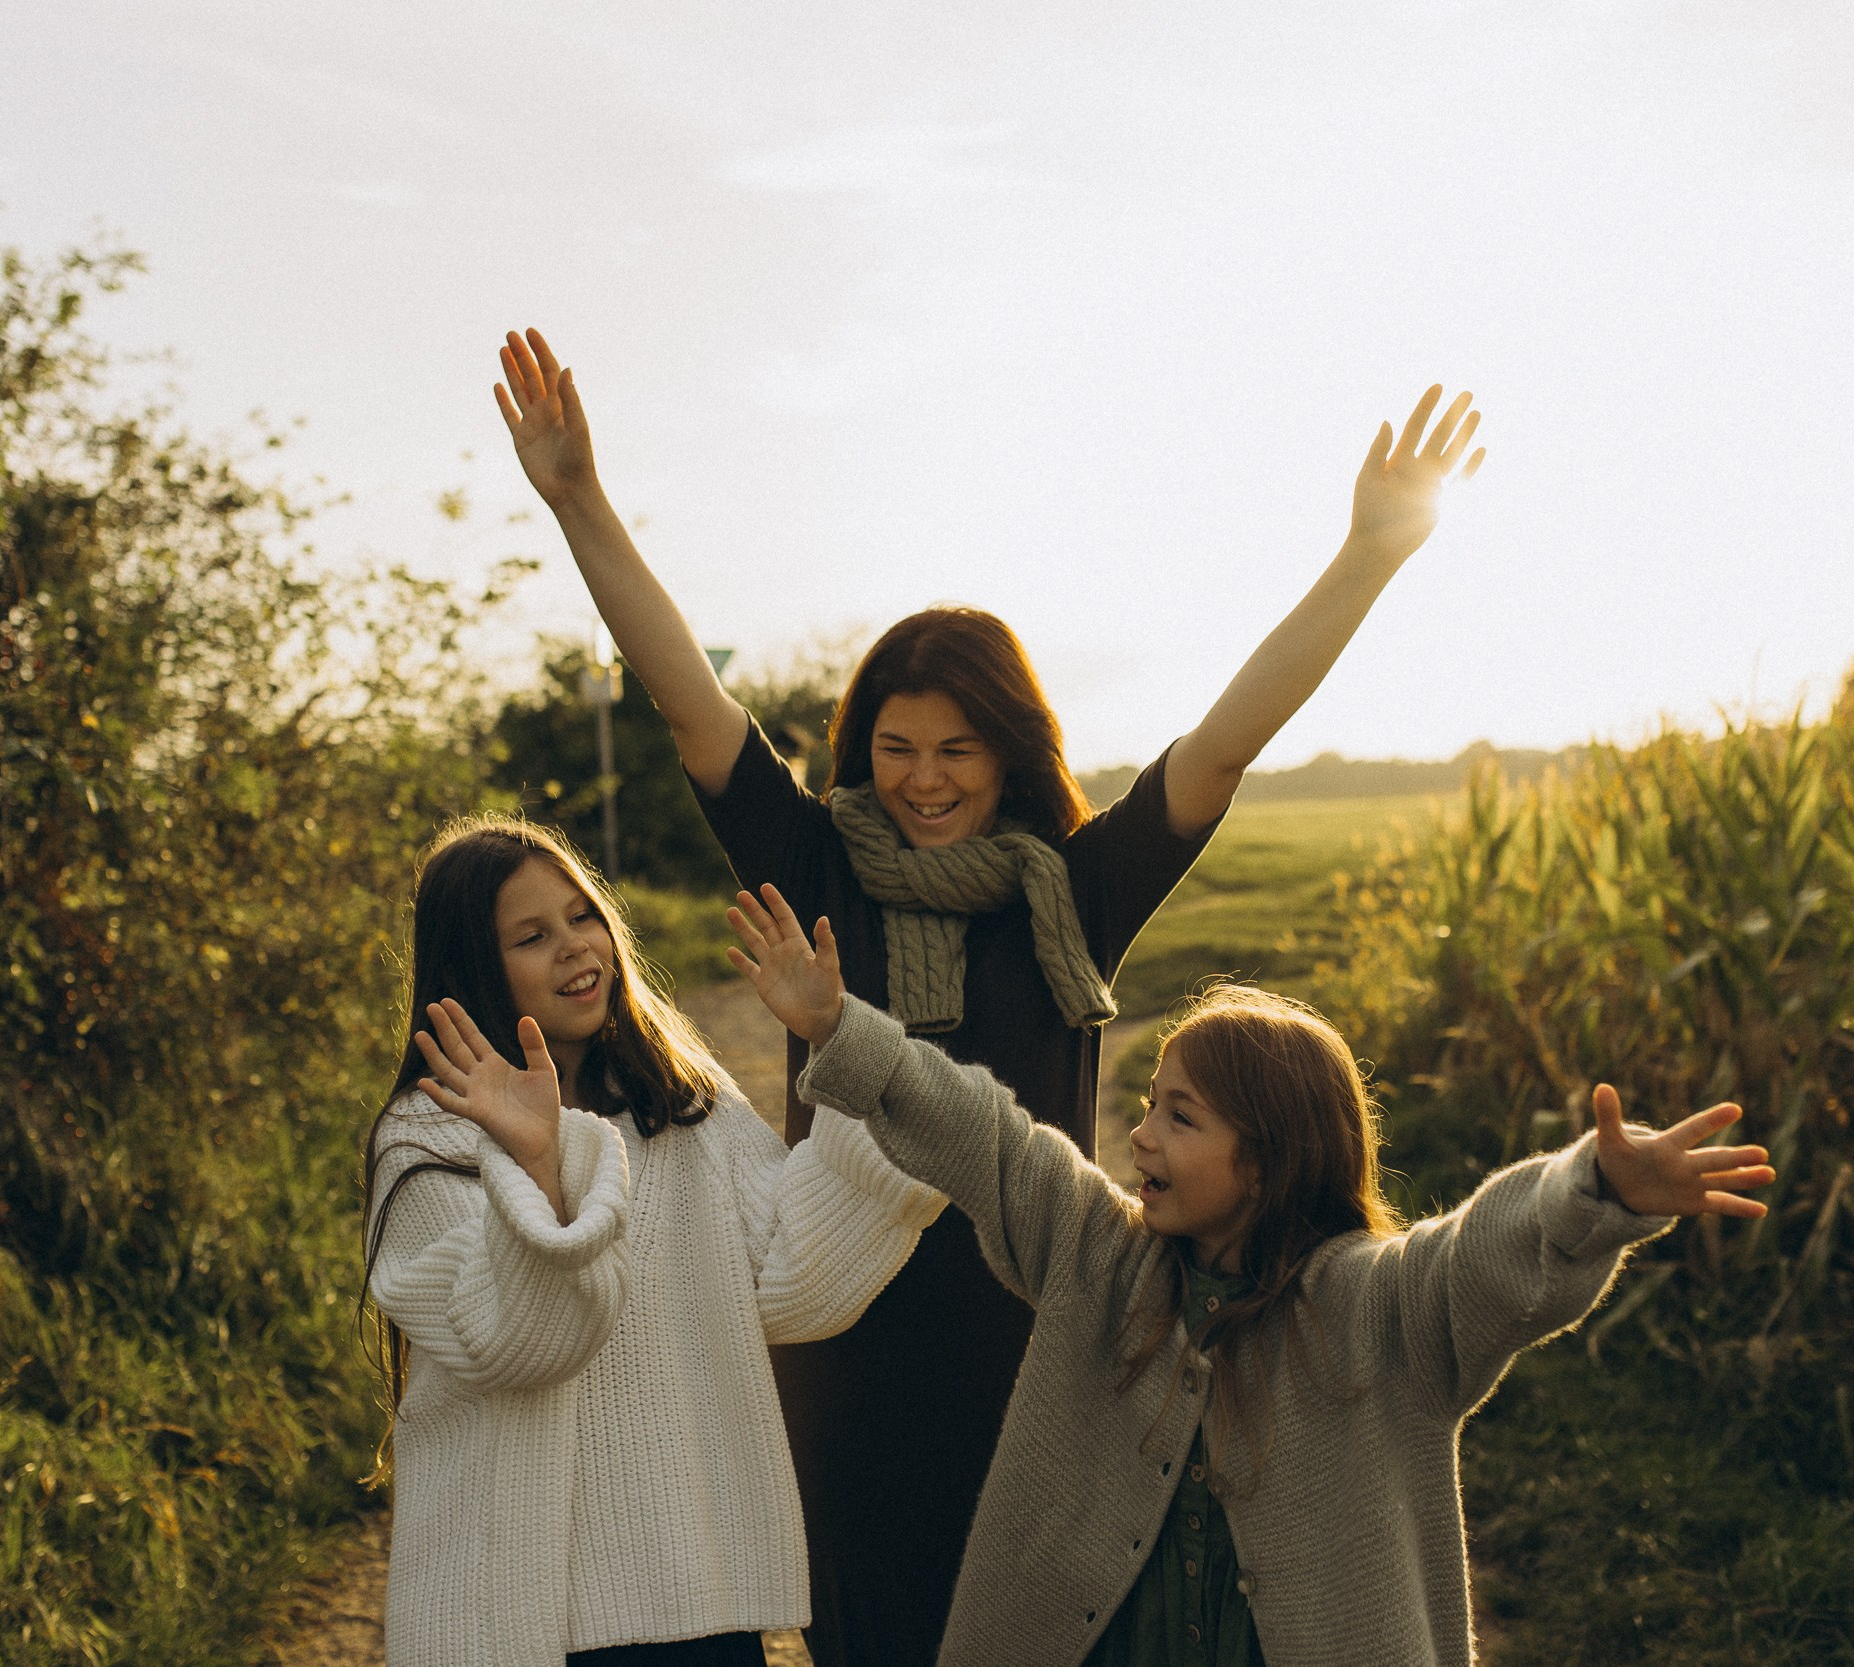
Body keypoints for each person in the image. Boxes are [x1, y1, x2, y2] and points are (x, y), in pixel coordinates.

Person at [493, 326, 1484, 1665]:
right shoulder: (816, 864)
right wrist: (578, 498)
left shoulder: (1072, 889)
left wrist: (1367, 553)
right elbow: (689, 703)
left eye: (958, 746)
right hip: (847, 1362)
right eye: (896, 746)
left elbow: (1227, 741)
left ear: (1010, 750)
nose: (925, 777)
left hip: (1049, 1361)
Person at [726, 885, 1778, 1666]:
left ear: (1270, 1160)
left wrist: (1595, 1187)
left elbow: (1484, 1250)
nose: (1140, 1136)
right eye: (1148, 1105)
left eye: (1179, 1116)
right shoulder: (1099, 1255)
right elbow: (989, 1136)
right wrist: (838, 1028)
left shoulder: (1377, 1305)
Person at [359, 818, 946, 1667]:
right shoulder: (428, 1139)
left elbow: (796, 1275)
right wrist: (540, 1165)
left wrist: (839, 1039)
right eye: (532, 935)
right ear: (469, 969)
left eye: (582, 915)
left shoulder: (677, 1102)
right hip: (526, 1623)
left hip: (696, 1598)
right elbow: (522, 1344)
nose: (574, 945)